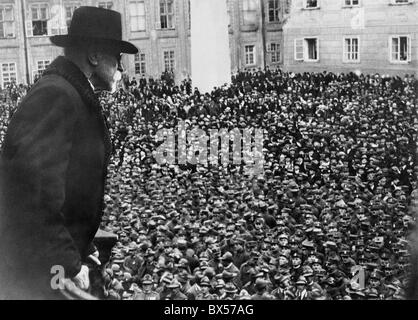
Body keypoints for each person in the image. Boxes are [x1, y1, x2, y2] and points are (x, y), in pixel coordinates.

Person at [0, 6, 138, 299]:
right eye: (118, 58)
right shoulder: (58, 95)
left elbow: (66, 190)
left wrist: (84, 246)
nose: (122, 69)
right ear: (94, 56)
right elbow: (33, 194)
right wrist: (66, 264)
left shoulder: (69, 93)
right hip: (40, 269)